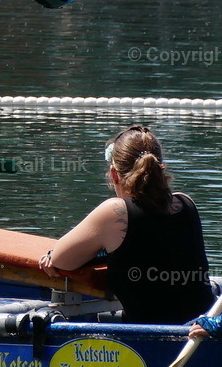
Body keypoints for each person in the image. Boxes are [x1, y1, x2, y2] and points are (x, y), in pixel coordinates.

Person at [38, 126, 213, 325]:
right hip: (206, 330)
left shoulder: (115, 212)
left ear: (114, 174)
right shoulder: (186, 204)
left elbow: (61, 260)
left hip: (159, 340)